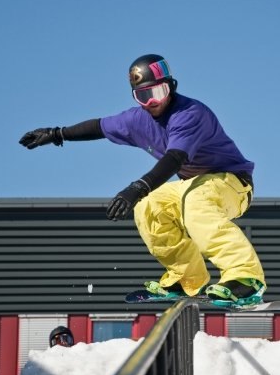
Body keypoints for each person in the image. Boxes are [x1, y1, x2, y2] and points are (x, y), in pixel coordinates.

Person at [19, 54, 266, 305]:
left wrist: (138, 187)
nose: (152, 102)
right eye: (143, 96)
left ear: (171, 87)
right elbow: (99, 127)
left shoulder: (190, 113)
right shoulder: (137, 120)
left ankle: (245, 279)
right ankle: (187, 279)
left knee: (196, 202)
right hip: (191, 185)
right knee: (149, 206)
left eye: (158, 92)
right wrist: (57, 133)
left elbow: (175, 158)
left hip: (232, 183)